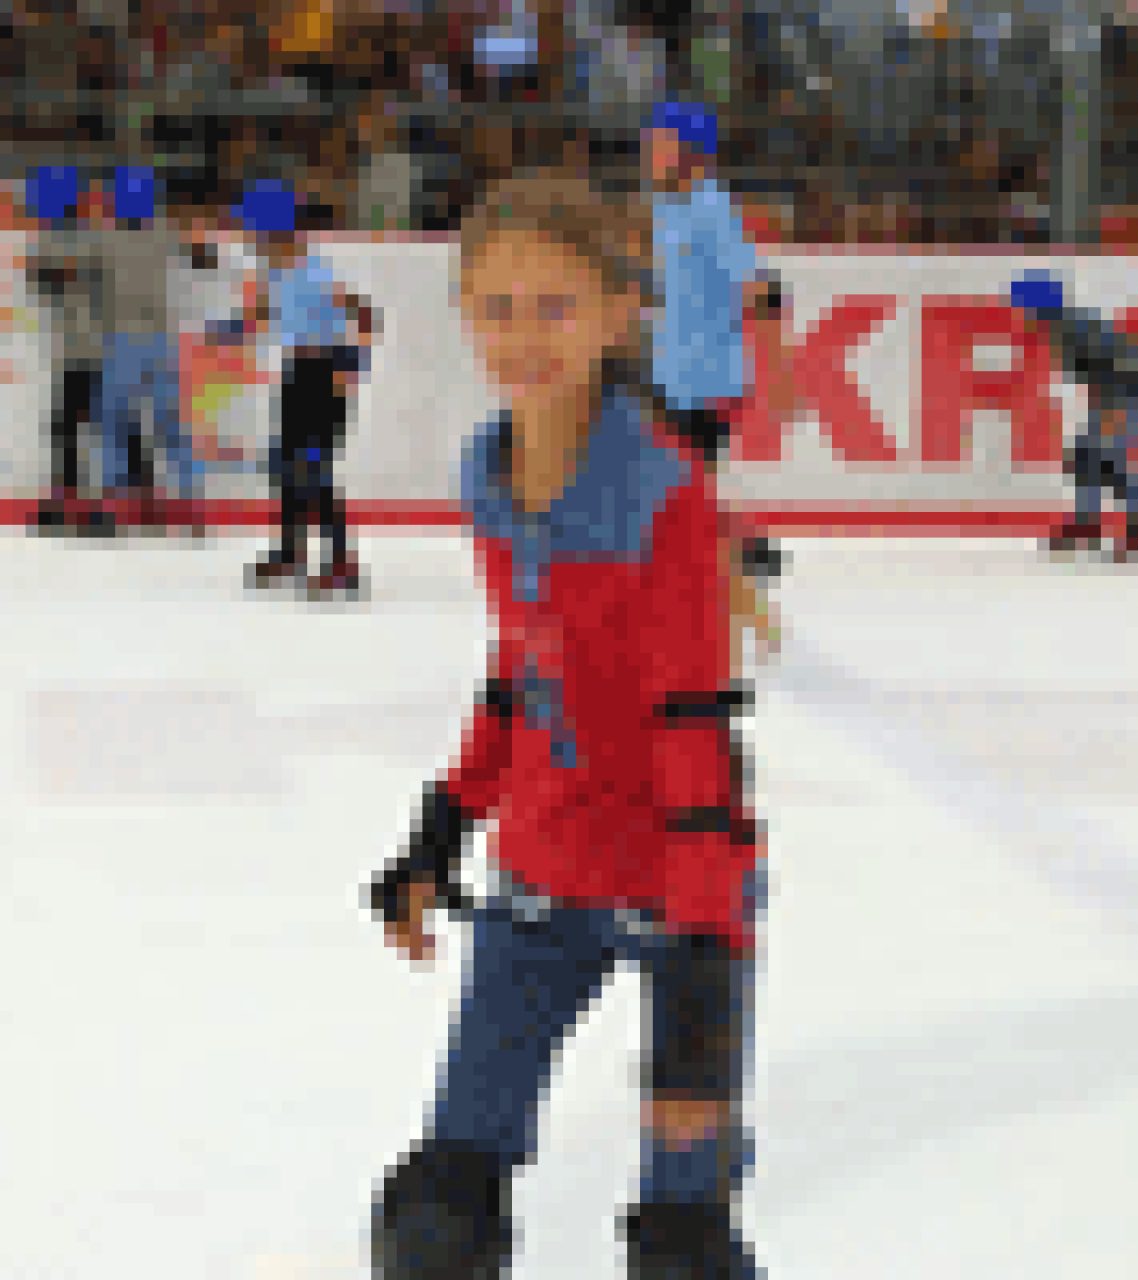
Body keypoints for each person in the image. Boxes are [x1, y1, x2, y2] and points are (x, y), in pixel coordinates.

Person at [365, 171, 765, 1280]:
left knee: (682, 1249)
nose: (523, 336)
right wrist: (441, 829)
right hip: (540, 883)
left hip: (676, 884)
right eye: (497, 308)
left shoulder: (660, 488)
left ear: (616, 311)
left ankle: (694, 1204)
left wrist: (703, 947)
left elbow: (691, 720)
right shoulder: (485, 473)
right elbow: (520, 669)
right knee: (437, 1223)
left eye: (554, 306)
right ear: (464, 312)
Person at [643, 100, 788, 657]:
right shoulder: (665, 208)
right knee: (672, 505)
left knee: (677, 507)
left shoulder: (712, 209)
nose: (649, 152)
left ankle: (734, 602)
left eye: (660, 142)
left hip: (708, 384)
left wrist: (779, 369)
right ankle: (743, 569)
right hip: (668, 377)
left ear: (690, 152)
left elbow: (758, 289)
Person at [210, 180, 378, 597]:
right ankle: (291, 552)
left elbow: (364, 314)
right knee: (286, 466)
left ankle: (340, 561)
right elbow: (266, 313)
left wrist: (351, 365)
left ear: (273, 231)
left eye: (252, 231)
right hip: (296, 372)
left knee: (315, 468)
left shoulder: (314, 273)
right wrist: (230, 330)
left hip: (324, 374)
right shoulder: (277, 273)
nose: (248, 239)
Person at [1010, 272, 1138, 563]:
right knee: (1089, 455)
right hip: (1115, 390)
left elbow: (1121, 363)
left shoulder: (1072, 330)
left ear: (1037, 307)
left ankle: (1133, 523)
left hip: (1124, 387)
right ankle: (1097, 523)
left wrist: (1115, 410)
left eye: (1022, 309)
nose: (1020, 317)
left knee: (1105, 458)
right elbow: (1097, 370)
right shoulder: (1061, 329)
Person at [98, 165, 204, 534]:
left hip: (123, 339)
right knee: (169, 425)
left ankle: (116, 504)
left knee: (115, 422)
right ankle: (190, 502)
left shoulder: (107, 237)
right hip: (161, 339)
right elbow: (200, 253)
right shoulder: (165, 232)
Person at [22, 163, 113, 536]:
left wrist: (67, 271)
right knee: (68, 430)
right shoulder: (55, 239)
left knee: (86, 430)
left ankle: (93, 507)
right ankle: (72, 503)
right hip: (74, 350)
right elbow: (40, 277)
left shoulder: (93, 239)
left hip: (94, 350)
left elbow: (91, 278)